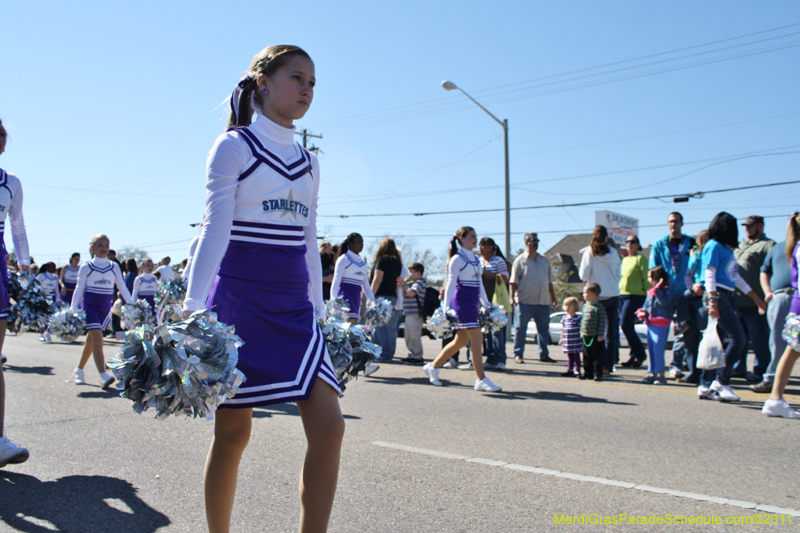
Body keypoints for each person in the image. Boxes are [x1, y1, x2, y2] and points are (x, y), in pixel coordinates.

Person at [182, 45, 343, 533]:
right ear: (264, 83)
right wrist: (192, 309)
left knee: (330, 428)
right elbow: (215, 230)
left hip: (295, 308)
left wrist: (319, 310)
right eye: (298, 78)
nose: (307, 90)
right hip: (239, 303)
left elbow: (309, 239)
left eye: (313, 83)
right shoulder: (234, 147)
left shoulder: (310, 162)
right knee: (233, 433)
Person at [698, 212, 766, 402]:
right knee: (739, 338)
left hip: (726, 294)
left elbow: (735, 277)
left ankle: (705, 384)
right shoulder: (713, 246)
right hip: (717, 295)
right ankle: (721, 382)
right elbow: (709, 273)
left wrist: (756, 298)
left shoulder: (727, 250)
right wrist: (712, 301)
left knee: (717, 342)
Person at [423, 227, 501, 392]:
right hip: (461, 301)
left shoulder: (476, 259)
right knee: (477, 338)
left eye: (476, 237)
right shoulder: (457, 259)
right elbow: (451, 283)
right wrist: (445, 307)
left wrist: (486, 303)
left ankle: (433, 366)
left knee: (461, 341)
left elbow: (479, 282)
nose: (475, 240)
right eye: (472, 237)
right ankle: (481, 379)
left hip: (473, 301)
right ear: (462, 239)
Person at [0, 118, 31, 467]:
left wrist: (24, 264)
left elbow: (18, 225)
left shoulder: (12, 183)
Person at [71, 234, 134, 389]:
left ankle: (78, 370)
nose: (104, 248)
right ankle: (102, 375)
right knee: (98, 339)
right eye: (100, 245)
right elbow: (79, 288)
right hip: (90, 306)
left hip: (106, 308)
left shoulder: (114, 266)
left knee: (92, 340)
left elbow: (121, 286)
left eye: (106, 245)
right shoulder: (86, 267)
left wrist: (132, 303)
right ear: (92, 248)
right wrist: (73, 308)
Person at [762, 211, 800, 418]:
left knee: (791, 352)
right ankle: (775, 398)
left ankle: (775, 398)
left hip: (796, 308)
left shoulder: (795, 247)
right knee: (790, 351)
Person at [649, 212, 695, 380]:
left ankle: (676, 365)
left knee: (683, 329)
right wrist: (657, 289)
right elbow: (653, 268)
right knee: (661, 331)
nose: (673, 224)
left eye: (676, 221)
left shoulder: (690, 243)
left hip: (685, 292)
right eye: (670, 222)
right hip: (666, 292)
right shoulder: (660, 243)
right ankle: (656, 369)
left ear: (682, 223)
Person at [733, 215, 775, 381]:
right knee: (739, 339)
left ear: (760, 226)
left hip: (756, 302)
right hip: (737, 301)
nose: (747, 229)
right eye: (745, 226)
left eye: (750, 226)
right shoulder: (741, 245)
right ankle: (738, 368)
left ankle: (761, 371)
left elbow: (770, 271)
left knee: (759, 340)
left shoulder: (768, 245)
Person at [751, 236, 795, 393]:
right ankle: (770, 379)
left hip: (797, 297)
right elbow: (765, 271)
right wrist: (767, 292)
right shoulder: (777, 248)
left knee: (795, 345)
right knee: (778, 342)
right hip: (780, 298)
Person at [579, 225, 621, 373]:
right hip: (614, 294)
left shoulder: (590, 253)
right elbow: (618, 274)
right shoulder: (614, 252)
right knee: (611, 333)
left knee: (594, 332)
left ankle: (596, 364)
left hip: (597, 297)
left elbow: (583, 275)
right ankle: (608, 366)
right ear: (607, 237)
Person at [510, 232, 557, 364]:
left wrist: (553, 297)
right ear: (526, 243)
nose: (536, 242)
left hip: (543, 302)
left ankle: (544, 354)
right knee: (520, 329)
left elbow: (549, 281)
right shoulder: (520, 260)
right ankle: (518, 354)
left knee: (543, 330)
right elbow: (513, 282)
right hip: (525, 301)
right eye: (533, 240)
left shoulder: (544, 260)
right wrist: (511, 298)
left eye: (537, 240)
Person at [678, 230, 710, 384]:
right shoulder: (694, 257)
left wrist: (703, 287)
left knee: (705, 338)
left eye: (701, 241)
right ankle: (693, 373)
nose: (699, 245)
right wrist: (692, 287)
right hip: (692, 296)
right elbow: (687, 276)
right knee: (690, 339)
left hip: (706, 297)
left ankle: (708, 374)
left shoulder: (712, 255)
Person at [636, 266, 676, 385]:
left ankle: (661, 375)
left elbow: (665, 303)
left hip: (661, 323)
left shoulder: (667, 290)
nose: (648, 280)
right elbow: (646, 305)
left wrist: (658, 290)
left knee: (658, 350)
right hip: (651, 323)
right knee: (652, 349)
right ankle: (652, 372)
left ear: (657, 278)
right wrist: (642, 311)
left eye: (650, 277)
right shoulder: (651, 291)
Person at [370, 237, 403, 361]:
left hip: (381, 295)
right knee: (380, 325)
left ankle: (385, 354)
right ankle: (374, 352)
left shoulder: (382, 260)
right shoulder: (397, 263)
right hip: (392, 296)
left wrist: (370, 296)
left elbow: (378, 279)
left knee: (380, 326)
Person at [479, 237, 510, 370]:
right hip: (483, 299)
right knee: (486, 331)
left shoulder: (498, 260)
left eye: (484, 246)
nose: (481, 248)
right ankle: (490, 358)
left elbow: (504, 278)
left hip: (496, 299)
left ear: (491, 247)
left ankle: (500, 360)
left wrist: (486, 273)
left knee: (497, 331)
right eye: (480, 246)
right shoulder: (478, 261)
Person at [618, 235, 649, 367]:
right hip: (622, 295)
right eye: (627, 241)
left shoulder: (641, 259)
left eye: (633, 242)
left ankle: (640, 354)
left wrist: (649, 297)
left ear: (638, 245)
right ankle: (634, 355)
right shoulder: (625, 260)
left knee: (625, 324)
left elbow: (646, 279)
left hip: (636, 296)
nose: (630, 244)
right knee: (627, 326)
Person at [330, 233, 374, 323]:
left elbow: (366, 285)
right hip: (345, 297)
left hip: (357, 298)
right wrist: (333, 299)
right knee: (349, 324)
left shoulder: (362, 263)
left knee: (353, 326)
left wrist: (373, 301)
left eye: (362, 242)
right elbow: (336, 280)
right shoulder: (343, 259)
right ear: (350, 243)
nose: (362, 244)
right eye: (359, 242)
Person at [401, 263, 427, 364]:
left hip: (415, 314)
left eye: (411, 272)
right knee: (408, 336)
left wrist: (404, 284)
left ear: (418, 273)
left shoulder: (420, 282)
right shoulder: (411, 283)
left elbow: (411, 293)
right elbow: (405, 292)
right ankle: (413, 354)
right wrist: (404, 284)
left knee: (414, 335)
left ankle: (418, 356)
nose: (409, 274)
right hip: (408, 313)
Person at [580, 283, 606, 381]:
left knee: (597, 356)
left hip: (596, 336)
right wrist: (581, 331)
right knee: (586, 356)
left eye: (585, 293)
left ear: (593, 295)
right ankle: (587, 373)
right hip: (586, 335)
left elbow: (603, 321)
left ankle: (598, 374)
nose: (583, 295)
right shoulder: (585, 306)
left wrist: (601, 334)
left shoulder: (599, 307)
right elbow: (583, 320)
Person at [35, 262, 60, 342]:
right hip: (43, 297)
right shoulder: (41, 276)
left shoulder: (56, 277)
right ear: (48, 267)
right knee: (42, 316)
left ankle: (48, 332)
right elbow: (35, 285)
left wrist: (58, 299)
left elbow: (57, 289)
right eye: (53, 267)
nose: (54, 269)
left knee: (52, 317)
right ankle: (41, 334)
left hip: (52, 298)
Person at [559, 297, 581, 377]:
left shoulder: (578, 318)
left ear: (575, 307)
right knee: (569, 356)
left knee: (576, 355)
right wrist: (561, 339)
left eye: (570, 305)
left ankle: (578, 369)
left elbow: (581, 329)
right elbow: (563, 329)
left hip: (575, 340)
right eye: (566, 305)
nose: (567, 307)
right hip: (568, 340)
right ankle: (570, 369)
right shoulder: (564, 318)